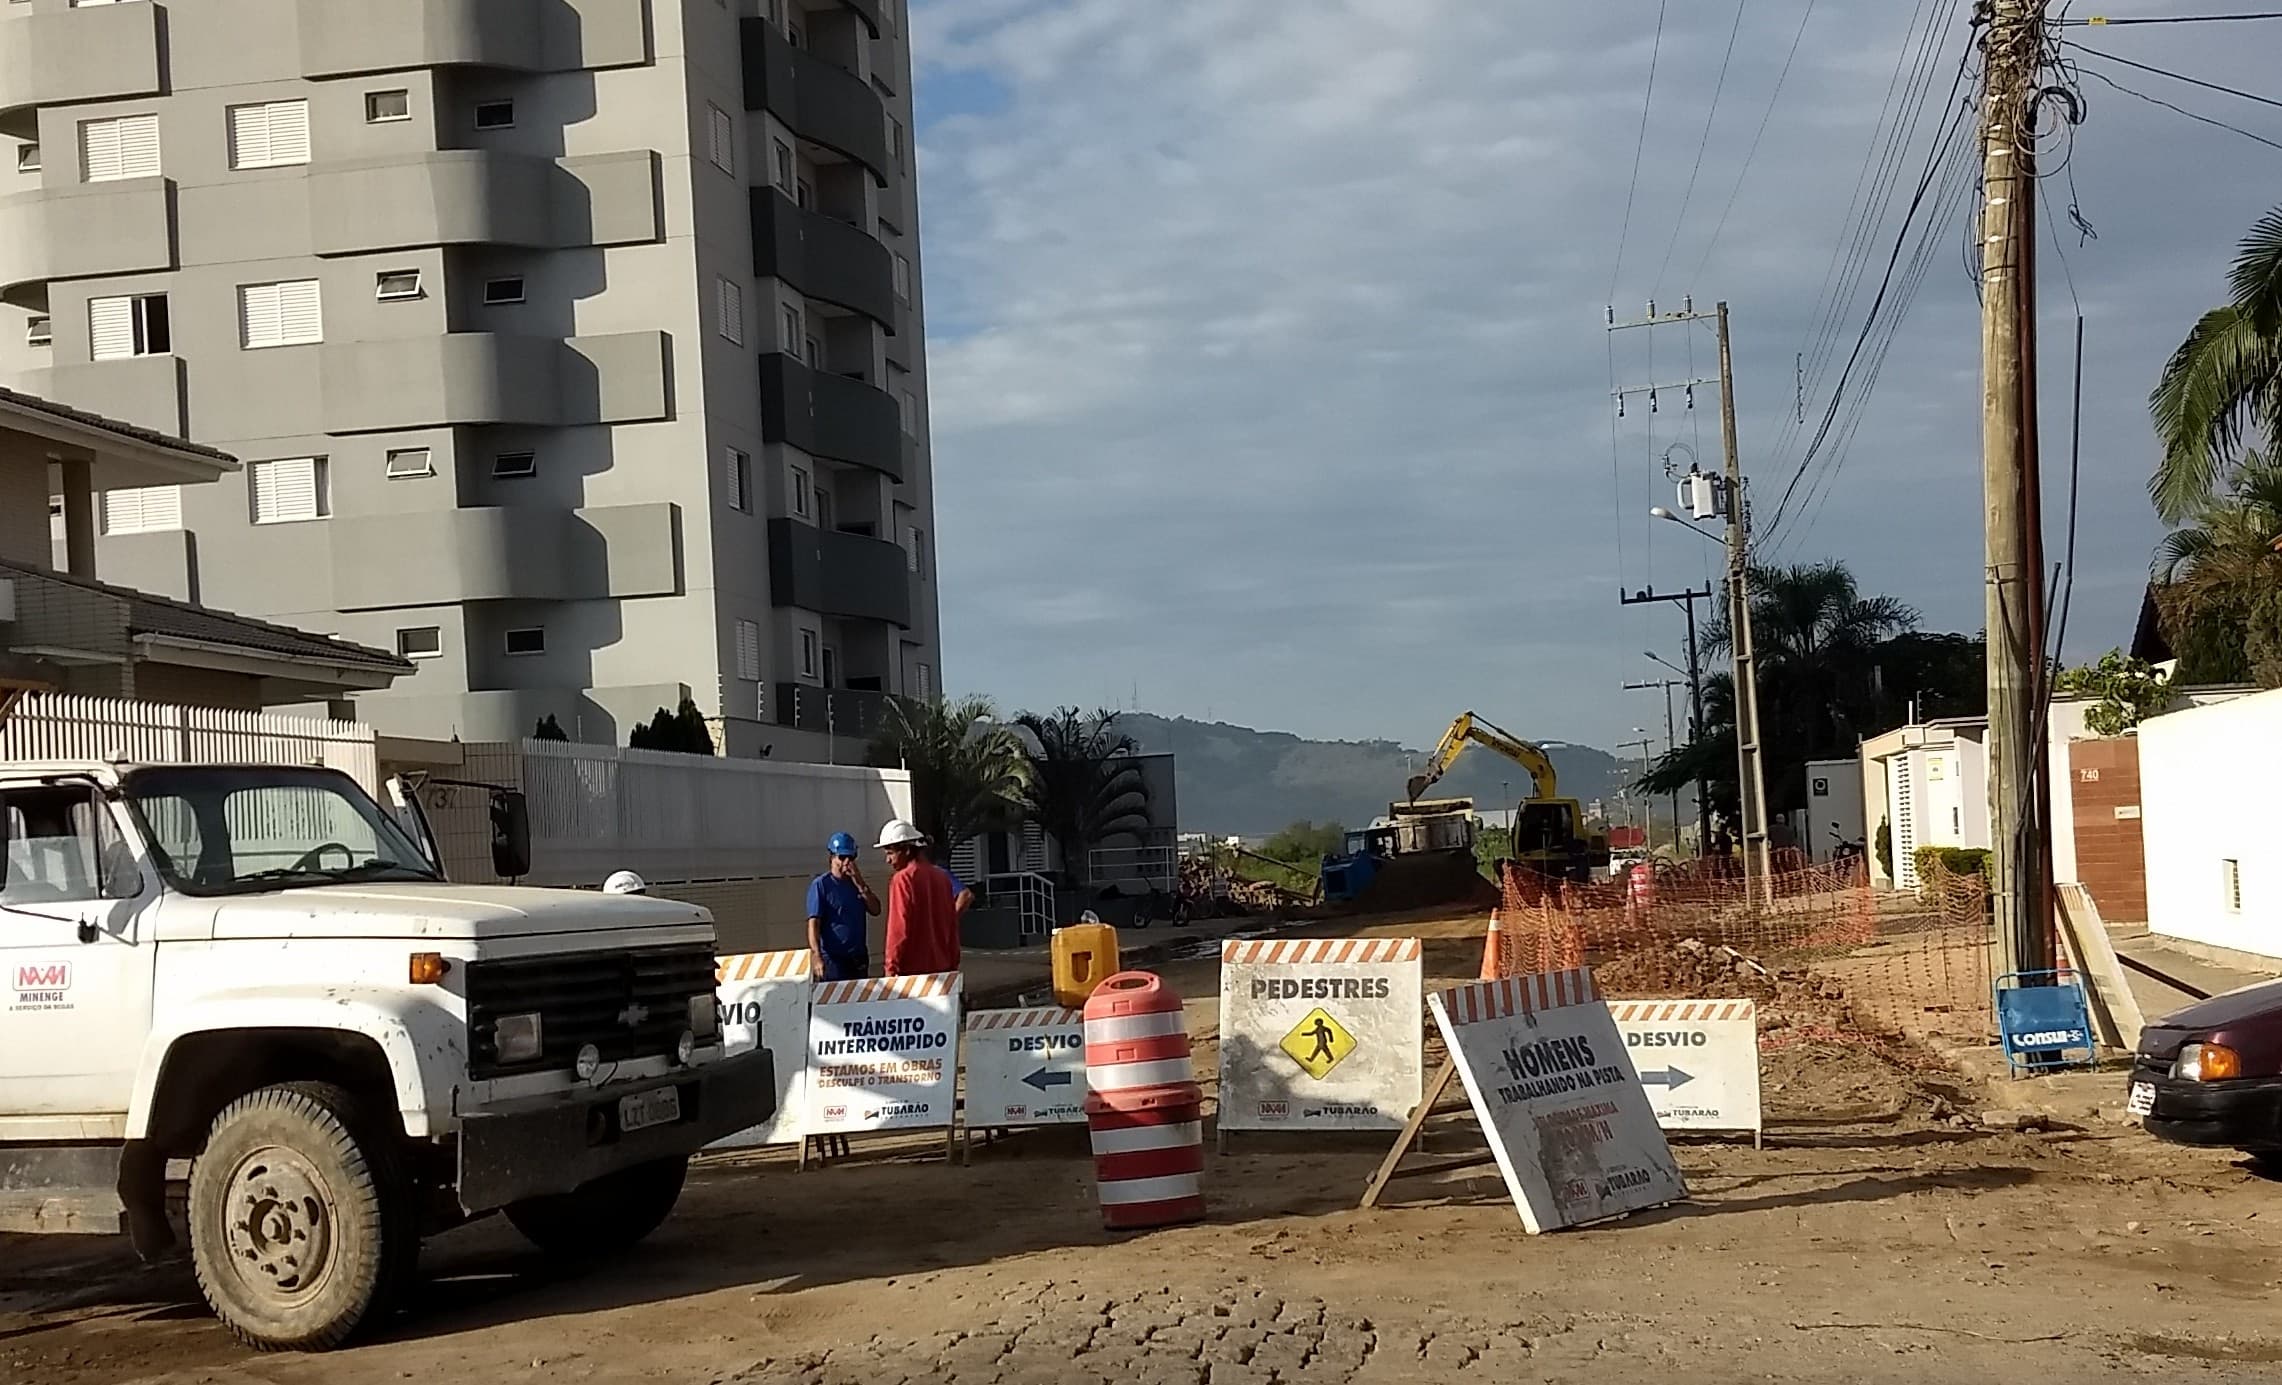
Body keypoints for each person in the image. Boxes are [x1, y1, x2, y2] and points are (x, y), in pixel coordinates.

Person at [878, 818, 959, 976]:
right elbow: (952, 927)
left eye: (890, 853)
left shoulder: (902, 879)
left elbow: (898, 930)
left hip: (912, 976)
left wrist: (891, 968)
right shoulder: (942, 878)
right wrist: (953, 966)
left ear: (906, 850)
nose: (888, 860)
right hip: (943, 972)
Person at [806, 832, 880, 981]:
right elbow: (814, 924)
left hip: (858, 957)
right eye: (842, 857)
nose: (847, 862)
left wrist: (859, 882)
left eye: (851, 858)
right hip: (834, 959)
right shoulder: (821, 885)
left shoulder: (856, 883)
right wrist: (816, 955)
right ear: (832, 857)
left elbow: (876, 909)